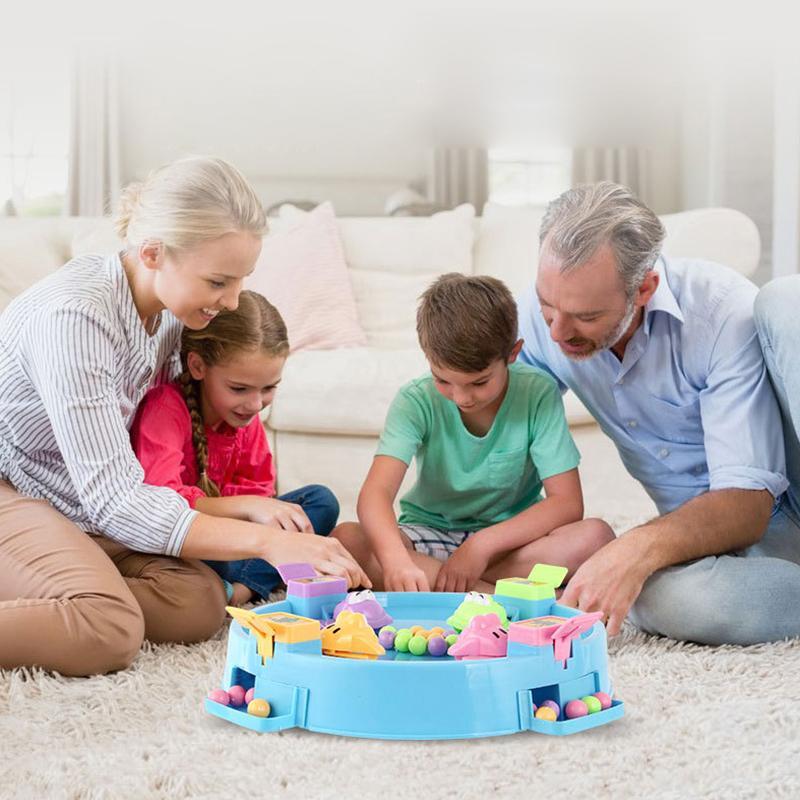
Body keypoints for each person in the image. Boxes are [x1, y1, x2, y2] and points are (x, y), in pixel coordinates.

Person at [0, 156, 368, 677]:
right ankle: (84, 600)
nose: (233, 300)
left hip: (76, 505)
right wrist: (269, 539)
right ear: (152, 253)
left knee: (199, 602)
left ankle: (61, 589)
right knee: (109, 628)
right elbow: (116, 499)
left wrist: (257, 513)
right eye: (219, 281)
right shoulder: (76, 316)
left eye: (241, 280)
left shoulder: (172, 316)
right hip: (17, 491)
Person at [517, 181, 800, 645]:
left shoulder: (719, 311)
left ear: (644, 288)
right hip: (713, 553)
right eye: (548, 306)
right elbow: (494, 427)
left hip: (773, 500)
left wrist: (637, 546)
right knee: (642, 594)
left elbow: (747, 507)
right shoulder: (544, 317)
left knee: (789, 299)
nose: (558, 330)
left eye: (586, 316)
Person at [335, 273, 613, 592]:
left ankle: (456, 588)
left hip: (509, 543)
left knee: (595, 538)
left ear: (513, 353)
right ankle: (496, 594)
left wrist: (481, 546)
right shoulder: (415, 401)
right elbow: (375, 496)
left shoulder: (537, 393)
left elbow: (566, 503)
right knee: (349, 541)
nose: (462, 397)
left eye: (479, 382)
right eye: (443, 380)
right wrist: (396, 560)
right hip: (429, 536)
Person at [131, 289, 341, 606]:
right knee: (206, 563)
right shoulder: (166, 409)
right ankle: (246, 583)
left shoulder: (245, 419)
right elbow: (162, 502)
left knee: (320, 501)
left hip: (240, 542)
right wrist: (249, 508)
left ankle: (240, 590)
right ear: (198, 366)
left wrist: (259, 511)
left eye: (269, 388)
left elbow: (259, 490)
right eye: (239, 388)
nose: (256, 404)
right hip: (188, 541)